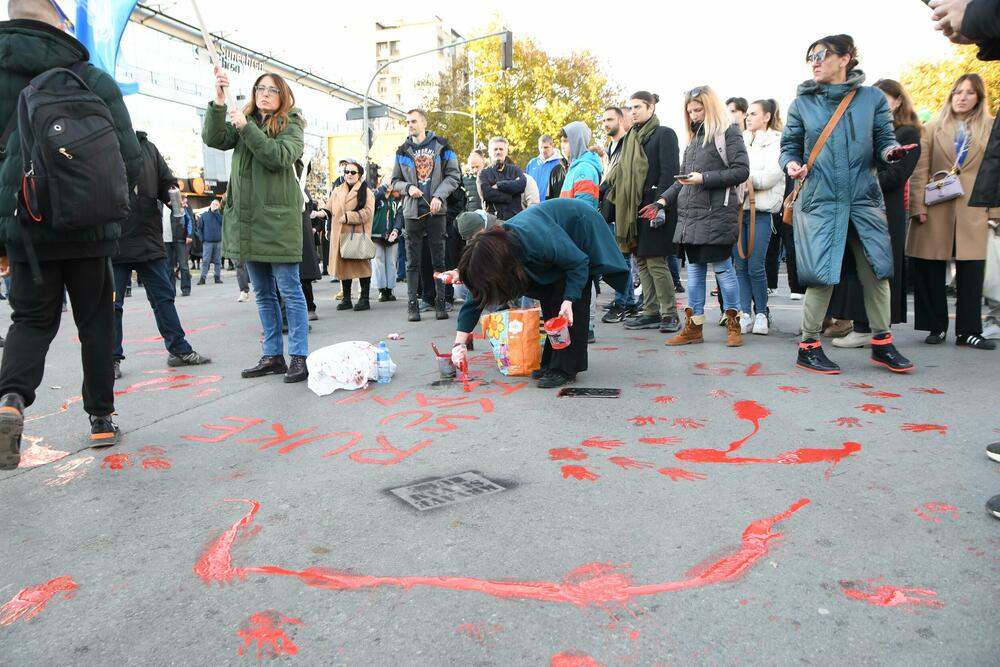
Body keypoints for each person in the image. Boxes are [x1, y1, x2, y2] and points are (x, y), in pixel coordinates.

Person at [0, 0, 143, 466]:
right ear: (58, 21)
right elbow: (130, 155)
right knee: (96, 321)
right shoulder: (90, 76)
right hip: (89, 227)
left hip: (24, 226)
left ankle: (10, 401)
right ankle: (101, 419)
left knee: (32, 321)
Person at [781, 34, 916, 374]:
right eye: (809, 55)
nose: (814, 60)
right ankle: (808, 347)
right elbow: (790, 146)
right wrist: (790, 164)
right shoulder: (801, 104)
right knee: (821, 275)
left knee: (877, 271)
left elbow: (885, 139)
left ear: (846, 58)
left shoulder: (871, 99)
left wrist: (890, 153)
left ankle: (882, 344)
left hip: (863, 199)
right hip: (820, 200)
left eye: (821, 54)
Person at [449, 199, 629, 389]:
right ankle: (552, 362)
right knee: (550, 302)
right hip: (555, 242)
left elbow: (577, 262)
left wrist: (569, 300)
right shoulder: (499, 253)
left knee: (568, 309)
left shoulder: (536, 239)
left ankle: (566, 369)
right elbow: (477, 296)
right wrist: (458, 344)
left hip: (579, 228)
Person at [202, 68, 309, 383]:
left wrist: (246, 127)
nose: (264, 94)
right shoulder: (244, 120)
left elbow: (278, 156)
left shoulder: (293, 125)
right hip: (247, 222)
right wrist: (219, 101)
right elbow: (215, 138)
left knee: (290, 291)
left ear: (283, 96)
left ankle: (299, 356)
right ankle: (273, 354)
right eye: (260, 88)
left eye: (272, 90)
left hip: (277, 221)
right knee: (262, 292)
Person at [907, 73, 996, 350]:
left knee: (972, 270)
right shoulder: (933, 126)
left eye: (969, 93)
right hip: (937, 203)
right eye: (958, 92)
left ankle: (969, 331)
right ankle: (936, 326)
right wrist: (917, 205)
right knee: (930, 265)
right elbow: (919, 169)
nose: (962, 97)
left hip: (975, 205)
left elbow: (997, 172)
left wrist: (995, 211)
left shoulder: (991, 127)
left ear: (979, 98)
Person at [112, 132, 211, 379]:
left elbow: (166, 181)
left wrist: (173, 197)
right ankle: (110, 359)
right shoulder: (101, 143)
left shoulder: (147, 148)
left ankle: (179, 349)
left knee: (163, 297)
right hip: (114, 240)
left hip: (148, 237)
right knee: (111, 304)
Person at [831, 80, 922, 349]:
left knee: (877, 266)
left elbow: (896, 175)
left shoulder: (907, 133)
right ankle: (858, 325)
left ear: (897, 101)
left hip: (885, 209)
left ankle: (869, 329)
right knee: (856, 266)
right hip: (857, 206)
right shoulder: (864, 131)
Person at [655, 86, 748, 347]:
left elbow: (741, 171)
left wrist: (704, 178)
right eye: (690, 111)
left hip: (717, 213)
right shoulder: (694, 139)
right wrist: (662, 201)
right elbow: (684, 177)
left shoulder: (728, 132)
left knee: (723, 270)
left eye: (698, 109)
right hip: (691, 216)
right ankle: (694, 326)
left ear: (711, 107)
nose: (694, 115)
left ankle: (733, 323)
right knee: (694, 272)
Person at [606, 91, 682, 335]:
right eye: (631, 107)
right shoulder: (631, 138)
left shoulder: (664, 134)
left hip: (656, 207)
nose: (633, 111)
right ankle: (651, 311)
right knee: (641, 261)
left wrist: (660, 206)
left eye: (638, 106)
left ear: (651, 108)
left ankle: (669, 313)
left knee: (656, 262)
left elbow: (670, 173)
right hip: (633, 210)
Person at [391, 109, 461, 322]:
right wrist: (408, 187)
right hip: (412, 213)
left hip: (436, 212)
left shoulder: (442, 145)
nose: (410, 125)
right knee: (412, 262)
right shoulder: (402, 150)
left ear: (423, 123)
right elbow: (394, 181)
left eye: (413, 121)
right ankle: (413, 306)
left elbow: (453, 175)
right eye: (407, 122)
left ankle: (441, 303)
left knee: (438, 260)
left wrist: (439, 195)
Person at [735, 99, 785, 336]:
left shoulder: (777, 141)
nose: (748, 117)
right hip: (737, 211)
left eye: (754, 114)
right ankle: (745, 313)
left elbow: (771, 176)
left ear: (767, 116)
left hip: (762, 212)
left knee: (756, 266)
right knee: (740, 266)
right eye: (748, 114)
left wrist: (746, 179)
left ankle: (762, 313)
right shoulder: (741, 140)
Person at [599, 106, 640, 322]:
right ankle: (629, 302)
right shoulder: (610, 146)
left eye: (610, 119)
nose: (606, 124)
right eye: (604, 120)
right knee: (619, 259)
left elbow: (623, 178)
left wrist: (604, 186)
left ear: (621, 120)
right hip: (610, 210)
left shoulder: (628, 144)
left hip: (623, 210)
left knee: (621, 260)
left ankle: (622, 303)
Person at [320, 158, 375, 312]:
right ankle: (346, 298)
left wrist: (349, 216)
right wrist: (320, 213)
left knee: (361, 265)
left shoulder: (366, 192)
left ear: (360, 175)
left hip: (357, 235)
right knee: (344, 266)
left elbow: (368, 213)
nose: (349, 174)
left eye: (352, 172)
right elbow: (329, 208)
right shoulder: (337, 190)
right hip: (340, 235)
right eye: (346, 172)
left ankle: (364, 298)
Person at [479, 137, 527, 221]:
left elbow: (522, 184)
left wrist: (499, 185)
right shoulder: (483, 173)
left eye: (501, 149)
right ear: (489, 152)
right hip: (493, 222)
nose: (498, 152)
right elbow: (486, 193)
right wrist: (510, 195)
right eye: (495, 149)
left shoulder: (515, 170)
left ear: (506, 152)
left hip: (515, 220)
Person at [371, 174, 403, 302]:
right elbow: (372, 204)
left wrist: (396, 230)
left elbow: (400, 216)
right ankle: (381, 290)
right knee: (378, 261)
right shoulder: (376, 196)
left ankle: (390, 289)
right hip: (376, 235)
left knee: (391, 262)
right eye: (387, 179)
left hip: (393, 235)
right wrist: (383, 188)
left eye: (392, 180)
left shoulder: (397, 199)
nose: (390, 182)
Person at [165, 194, 194, 296]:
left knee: (184, 265)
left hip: (180, 238)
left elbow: (189, 221)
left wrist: (189, 235)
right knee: (168, 266)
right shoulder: (160, 205)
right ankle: (170, 290)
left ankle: (186, 288)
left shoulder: (180, 206)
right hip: (166, 239)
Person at [525, 134, 567, 202]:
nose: (543, 150)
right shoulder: (532, 164)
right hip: (532, 206)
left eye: (546, 147)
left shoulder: (561, 163)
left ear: (552, 146)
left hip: (550, 206)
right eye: (541, 147)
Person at [197, 199, 224, 285]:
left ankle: (217, 277)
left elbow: (222, 223)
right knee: (205, 260)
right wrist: (202, 239)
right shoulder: (204, 216)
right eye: (213, 204)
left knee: (217, 261)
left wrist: (216, 213)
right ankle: (203, 278)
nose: (215, 205)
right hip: (207, 242)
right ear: (210, 204)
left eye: (217, 204)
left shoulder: (220, 215)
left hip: (218, 241)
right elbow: (199, 228)